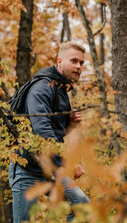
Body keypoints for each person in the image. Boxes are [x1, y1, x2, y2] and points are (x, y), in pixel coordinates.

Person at [8, 41, 90, 223]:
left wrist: (70, 125)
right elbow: (42, 133)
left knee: (83, 207)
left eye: (82, 63)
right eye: (74, 61)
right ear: (60, 61)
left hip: (48, 169)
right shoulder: (43, 87)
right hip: (26, 169)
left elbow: (54, 131)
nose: (78, 66)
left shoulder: (60, 90)